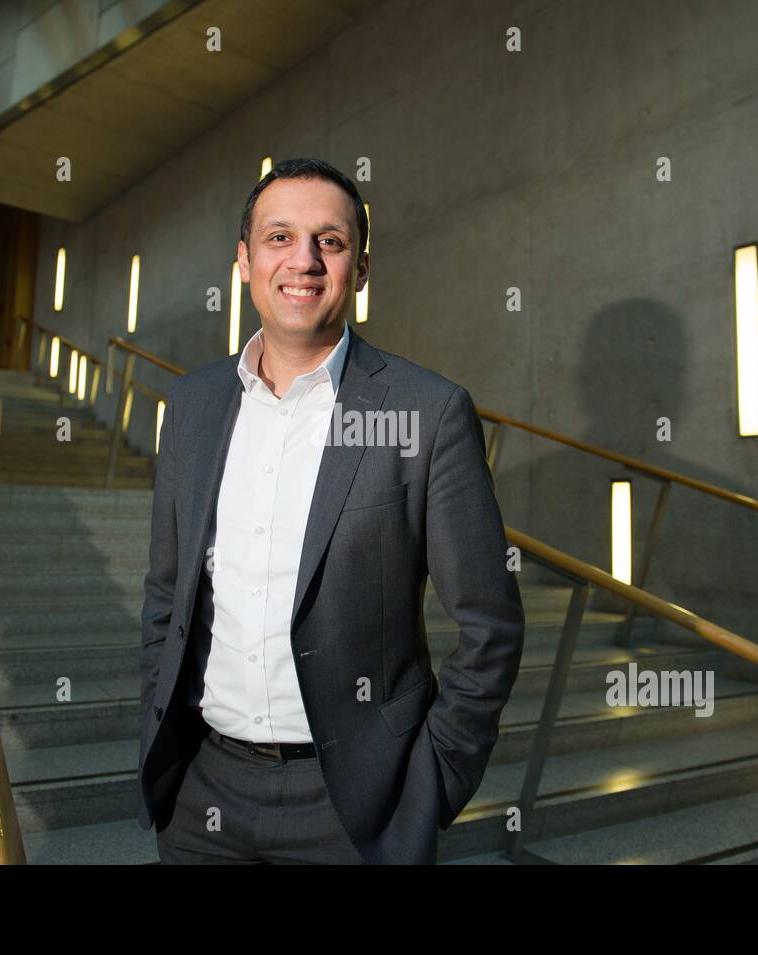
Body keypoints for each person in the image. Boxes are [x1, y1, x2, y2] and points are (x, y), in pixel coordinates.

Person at [137, 157, 524, 864]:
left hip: (355, 808)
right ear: (245, 259)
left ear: (362, 267)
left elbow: (490, 624)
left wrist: (430, 783)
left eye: (331, 241)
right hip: (203, 797)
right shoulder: (191, 406)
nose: (304, 261)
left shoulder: (426, 412)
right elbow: (167, 592)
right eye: (279, 237)